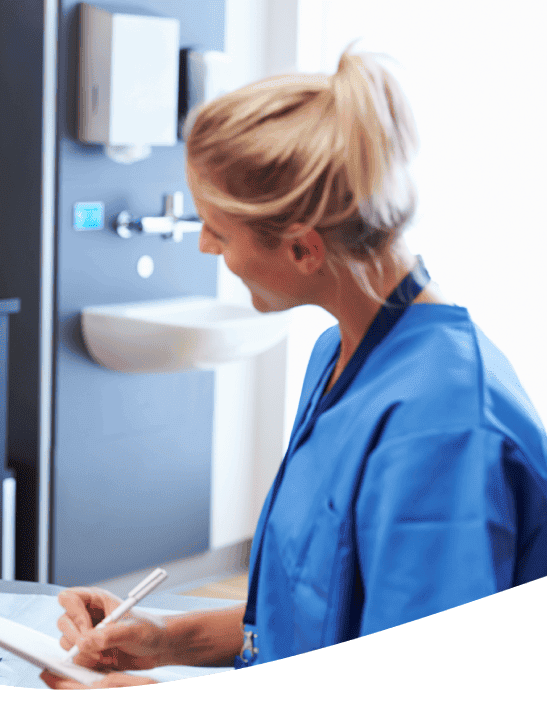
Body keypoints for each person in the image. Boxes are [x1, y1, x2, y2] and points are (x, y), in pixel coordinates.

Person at [43, 47, 547, 688]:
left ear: (304, 249)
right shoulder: (340, 356)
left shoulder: (444, 430)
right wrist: (171, 639)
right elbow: (321, 610)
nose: (205, 246)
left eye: (220, 232)